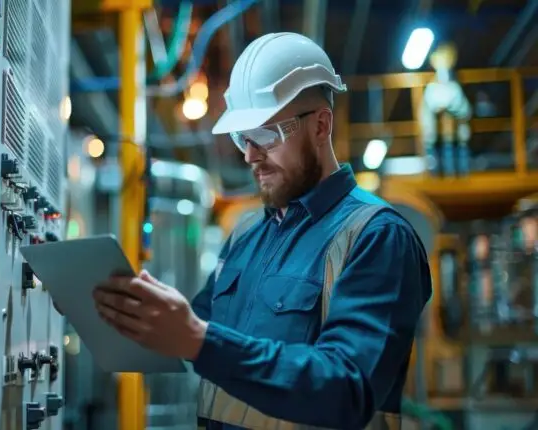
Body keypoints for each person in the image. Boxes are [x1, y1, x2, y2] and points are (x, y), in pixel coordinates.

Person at [92, 32, 432, 430]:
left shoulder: (376, 236)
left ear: (321, 126)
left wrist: (200, 342)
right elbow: (193, 326)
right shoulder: (245, 235)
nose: (250, 154)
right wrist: (119, 307)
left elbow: (348, 389)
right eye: (243, 137)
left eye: (266, 135)